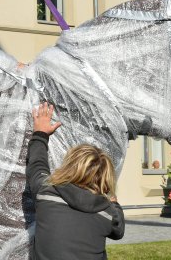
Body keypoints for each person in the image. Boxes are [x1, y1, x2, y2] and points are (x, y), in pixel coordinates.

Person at [26, 102, 125, 259]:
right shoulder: (108, 213)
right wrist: (114, 204)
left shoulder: (47, 193)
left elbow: (37, 166)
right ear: (106, 181)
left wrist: (40, 133)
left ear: (70, 166)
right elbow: (119, 231)